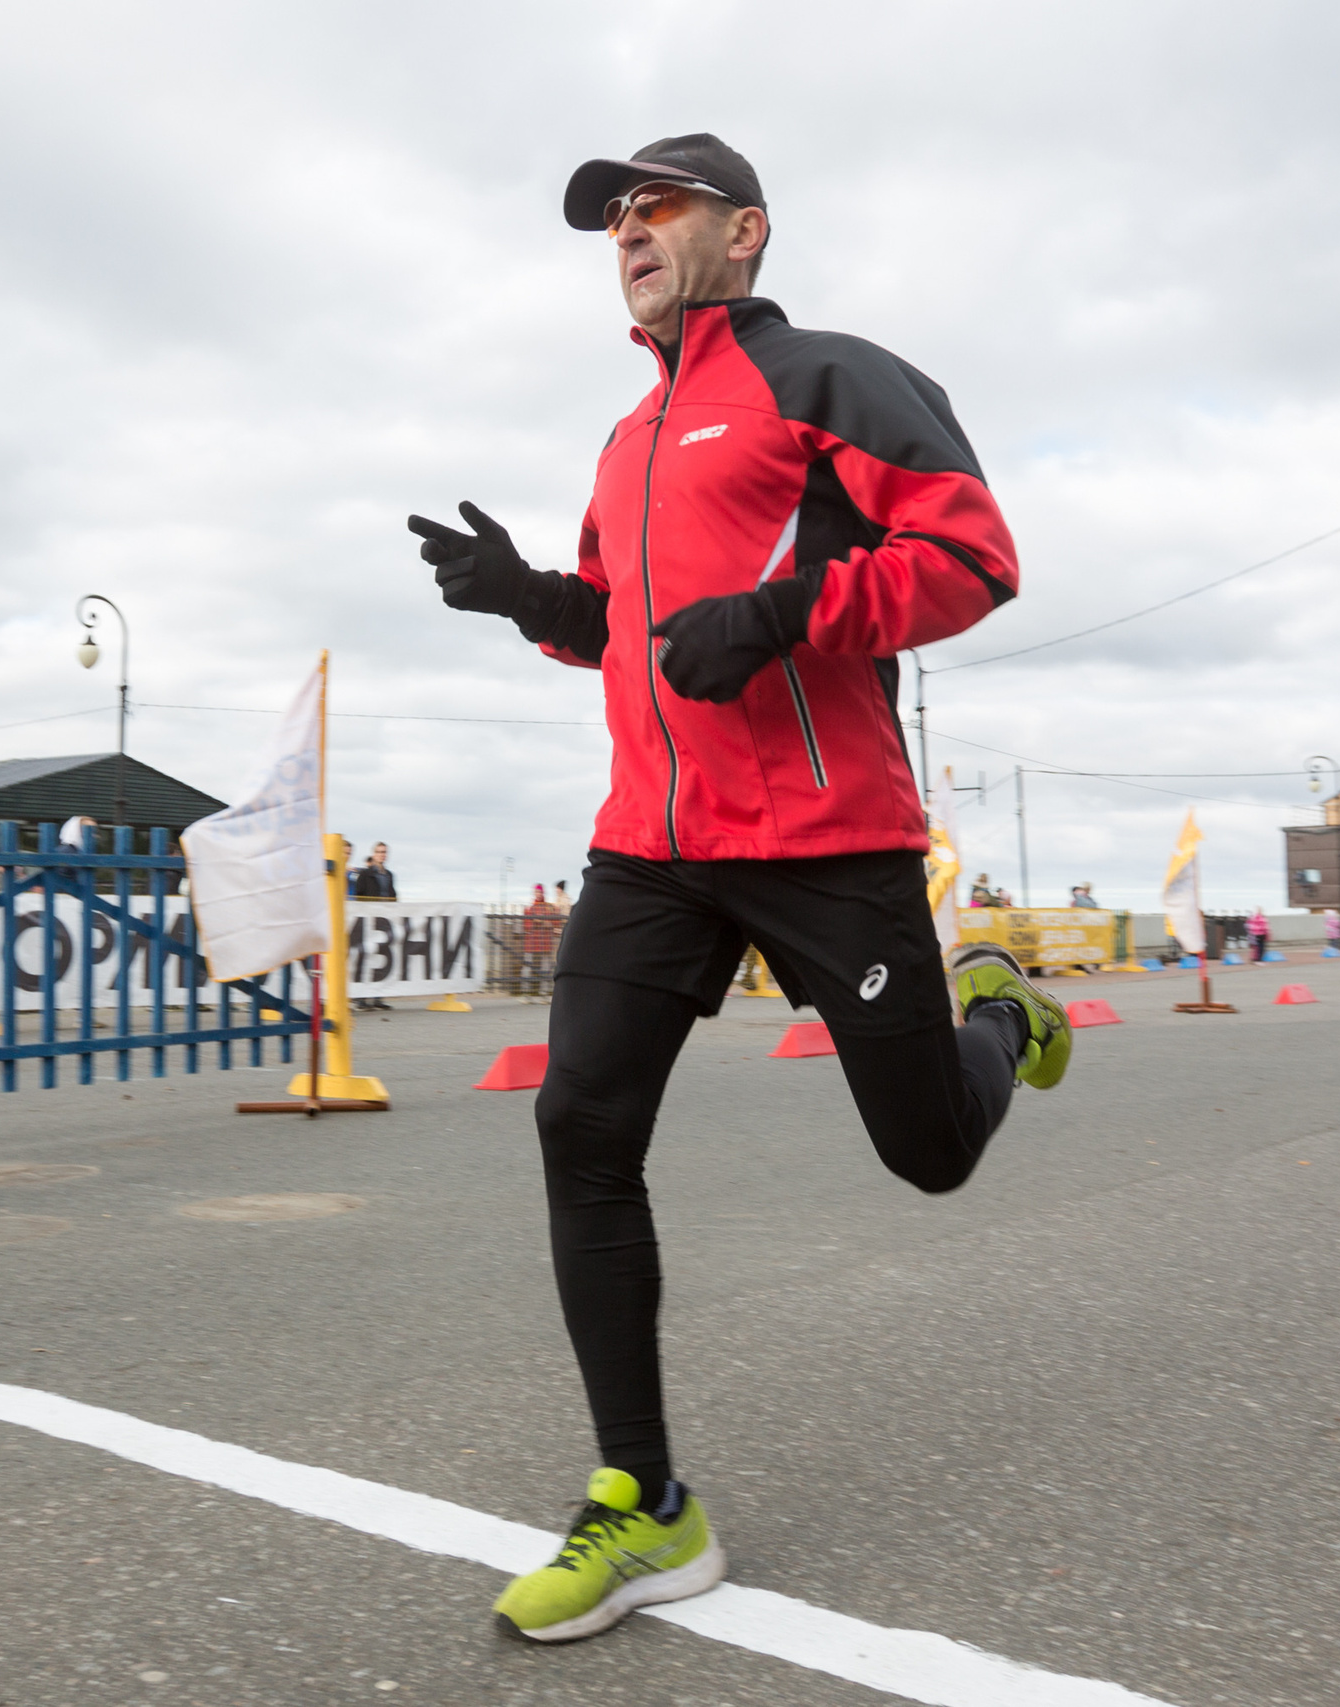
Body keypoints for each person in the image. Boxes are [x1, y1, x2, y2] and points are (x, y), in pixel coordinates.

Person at [406, 132, 1071, 1644]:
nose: (626, 234)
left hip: (830, 837)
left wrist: (783, 615)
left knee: (930, 1154)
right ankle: (643, 1500)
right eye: (611, 219)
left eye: (657, 207)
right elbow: (624, 631)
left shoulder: (829, 379)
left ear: (745, 232)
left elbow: (973, 559)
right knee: (578, 1122)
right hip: (655, 842)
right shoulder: (626, 441)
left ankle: (995, 1004)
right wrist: (530, 599)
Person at [349, 843, 398, 1010]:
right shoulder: (365, 874)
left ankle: (377, 997)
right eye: (379, 852)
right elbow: (359, 895)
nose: (382, 855)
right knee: (365, 957)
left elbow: (393, 895)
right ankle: (360, 998)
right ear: (373, 854)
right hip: (368, 920)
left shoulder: (389, 875)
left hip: (384, 920)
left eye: (384, 852)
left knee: (381, 958)